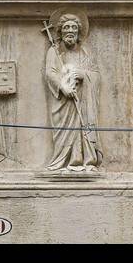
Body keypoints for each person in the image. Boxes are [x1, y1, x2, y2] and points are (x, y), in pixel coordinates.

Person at [43, 13, 103, 172]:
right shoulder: (54, 51)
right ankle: (66, 160)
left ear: (79, 32)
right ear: (60, 31)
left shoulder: (86, 52)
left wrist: (85, 76)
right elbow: (50, 73)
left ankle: (85, 159)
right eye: (66, 27)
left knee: (84, 125)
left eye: (74, 27)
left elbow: (96, 75)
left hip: (82, 100)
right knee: (65, 132)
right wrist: (63, 87)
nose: (70, 30)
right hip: (64, 101)